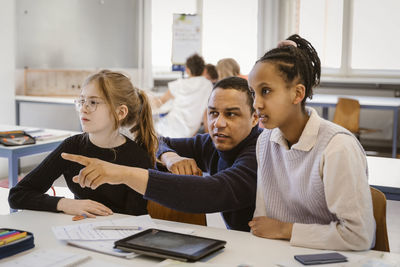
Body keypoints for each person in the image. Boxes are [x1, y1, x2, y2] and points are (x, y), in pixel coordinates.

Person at [62, 77, 262, 232]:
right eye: (213, 113)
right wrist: (169, 156)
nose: (218, 123)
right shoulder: (210, 143)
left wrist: (123, 174)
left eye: (231, 114)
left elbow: (214, 192)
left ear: (254, 118)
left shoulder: (259, 152)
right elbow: (156, 141)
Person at [247, 34, 375, 250]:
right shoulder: (265, 142)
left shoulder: (337, 147)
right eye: (253, 93)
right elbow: (262, 223)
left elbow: (358, 236)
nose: (256, 103)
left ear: (297, 93)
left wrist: (284, 229)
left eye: (266, 91)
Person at [8, 70, 158, 218]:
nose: (83, 109)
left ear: (120, 113)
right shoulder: (72, 146)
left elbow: (136, 219)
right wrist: (64, 204)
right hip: (77, 230)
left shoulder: (137, 158)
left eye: (93, 102)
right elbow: (18, 195)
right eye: (81, 101)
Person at [151, 54, 213, 138]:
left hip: (168, 130)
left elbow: (160, 102)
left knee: (148, 125)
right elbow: (206, 111)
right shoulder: (208, 86)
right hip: (189, 133)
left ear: (187, 70)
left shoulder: (179, 85)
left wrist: (148, 98)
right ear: (204, 70)